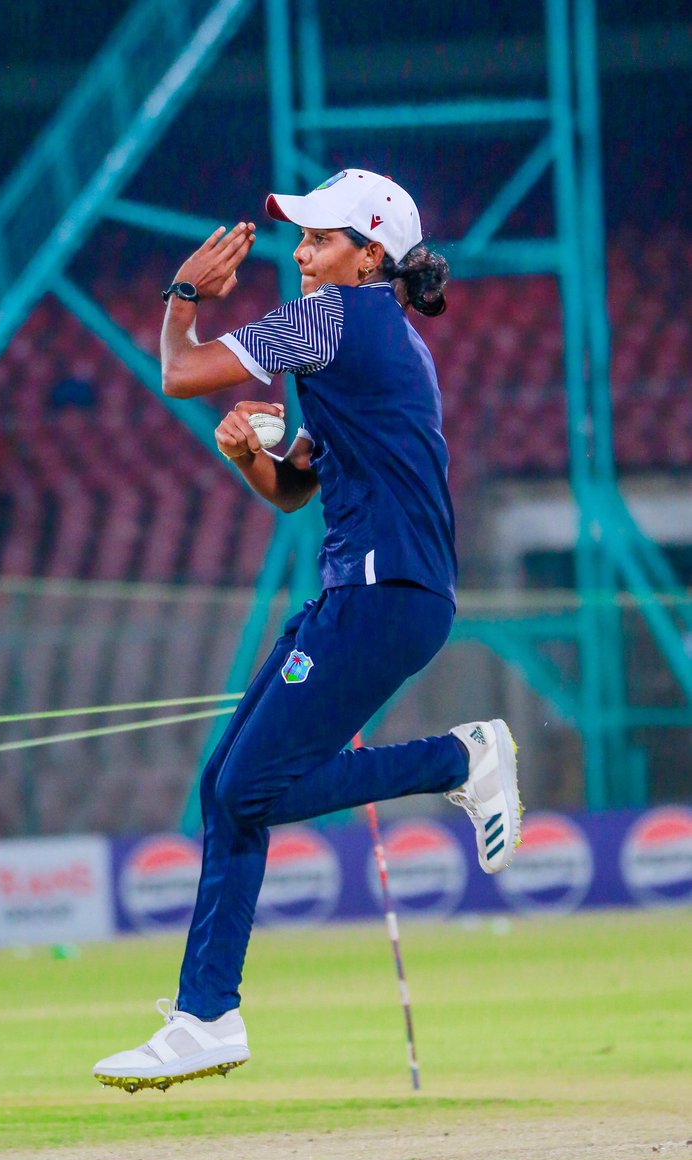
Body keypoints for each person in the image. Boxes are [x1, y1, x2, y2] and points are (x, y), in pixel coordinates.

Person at [93, 169, 522, 1093]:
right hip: (381, 594)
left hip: (381, 593)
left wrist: (184, 299)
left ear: (370, 254)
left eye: (319, 238)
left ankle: (460, 760)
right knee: (227, 785)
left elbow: (178, 373)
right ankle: (204, 1016)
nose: (299, 253)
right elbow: (294, 491)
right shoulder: (379, 339)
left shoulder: (336, 320)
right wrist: (252, 452)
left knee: (251, 784)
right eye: (303, 237)